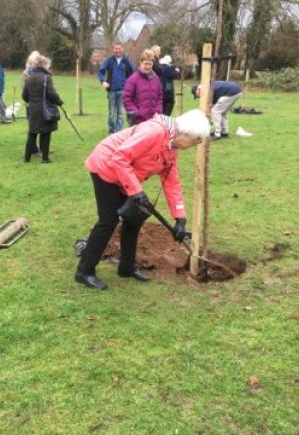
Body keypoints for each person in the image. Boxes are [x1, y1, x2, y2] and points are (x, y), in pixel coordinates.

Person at [74, 109, 211, 290]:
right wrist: (136, 191)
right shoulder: (153, 132)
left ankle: (126, 267)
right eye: (195, 141)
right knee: (108, 220)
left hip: (124, 174)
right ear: (186, 134)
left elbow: (171, 182)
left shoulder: (172, 148)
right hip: (106, 166)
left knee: (133, 220)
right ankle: (84, 271)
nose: (195, 145)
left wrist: (180, 217)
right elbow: (119, 157)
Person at [22, 52, 63, 163]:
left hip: (33, 109)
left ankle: (27, 157)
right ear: (44, 65)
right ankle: (45, 158)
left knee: (32, 133)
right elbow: (52, 94)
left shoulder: (29, 78)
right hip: (44, 110)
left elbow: (24, 96)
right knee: (45, 133)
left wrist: (32, 102)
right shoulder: (46, 78)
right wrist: (59, 102)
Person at [97, 42, 134, 134]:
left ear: (122, 49)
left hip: (123, 91)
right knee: (112, 113)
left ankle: (119, 132)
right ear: (113, 50)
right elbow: (101, 72)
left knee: (120, 113)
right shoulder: (109, 60)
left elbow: (133, 74)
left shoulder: (126, 61)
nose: (117, 50)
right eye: (116, 49)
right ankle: (112, 131)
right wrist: (103, 81)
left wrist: (129, 85)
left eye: (119, 48)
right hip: (112, 91)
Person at [122, 49, 163, 126]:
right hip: (138, 122)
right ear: (141, 62)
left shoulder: (156, 79)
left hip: (153, 121)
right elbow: (126, 98)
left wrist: (158, 111)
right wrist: (136, 112)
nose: (147, 67)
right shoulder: (133, 79)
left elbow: (160, 97)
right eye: (145, 64)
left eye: (150, 64)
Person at [22, 51, 41, 157]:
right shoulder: (26, 74)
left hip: (39, 104)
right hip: (31, 104)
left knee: (40, 126)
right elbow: (26, 92)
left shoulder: (38, 72)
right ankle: (32, 149)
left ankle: (39, 147)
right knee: (33, 127)